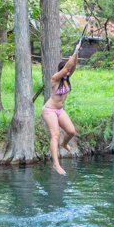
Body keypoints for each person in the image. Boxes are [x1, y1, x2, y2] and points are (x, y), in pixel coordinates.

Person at [42, 40, 81, 175]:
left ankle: (64, 144)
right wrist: (74, 52)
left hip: (59, 110)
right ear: (61, 70)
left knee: (71, 131)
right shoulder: (55, 79)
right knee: (55, 134)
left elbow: (72, 66)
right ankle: (56, 164)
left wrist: (76, 54)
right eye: (66, 71)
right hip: (49, 110)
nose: (68, 72)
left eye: (69, 72)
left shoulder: (66, 79)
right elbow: (67, 67)